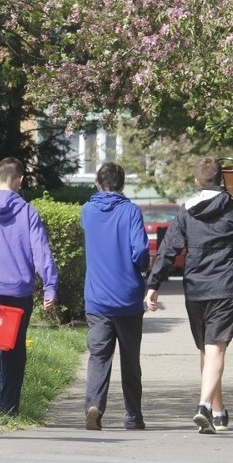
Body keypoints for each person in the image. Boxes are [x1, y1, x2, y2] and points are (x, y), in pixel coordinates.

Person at [146, 156, 233, 434]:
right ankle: (203, 405)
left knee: (207, 348)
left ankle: (218, 412)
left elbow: (169, 249)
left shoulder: (186, 212)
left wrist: (153, 284)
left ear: (196, 181)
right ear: (222, 180)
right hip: (225, 288)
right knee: (215, 348)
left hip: (195, 289)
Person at [0, 157, 58, 417]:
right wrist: (50, 288)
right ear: (20, 180)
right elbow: (42, 253)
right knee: (15, 348)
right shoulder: (28, 212)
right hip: (19, 291)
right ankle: (9, 407)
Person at [80, 162, 150, 430]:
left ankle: (93, 406)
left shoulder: (87, 211)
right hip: (128, 299)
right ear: (122, 184)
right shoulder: (131, 211)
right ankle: (133, 416)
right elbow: (140, 251)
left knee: (99, 356)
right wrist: (143, 269)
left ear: (98, 182)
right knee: (130, 360)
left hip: (97, 299)